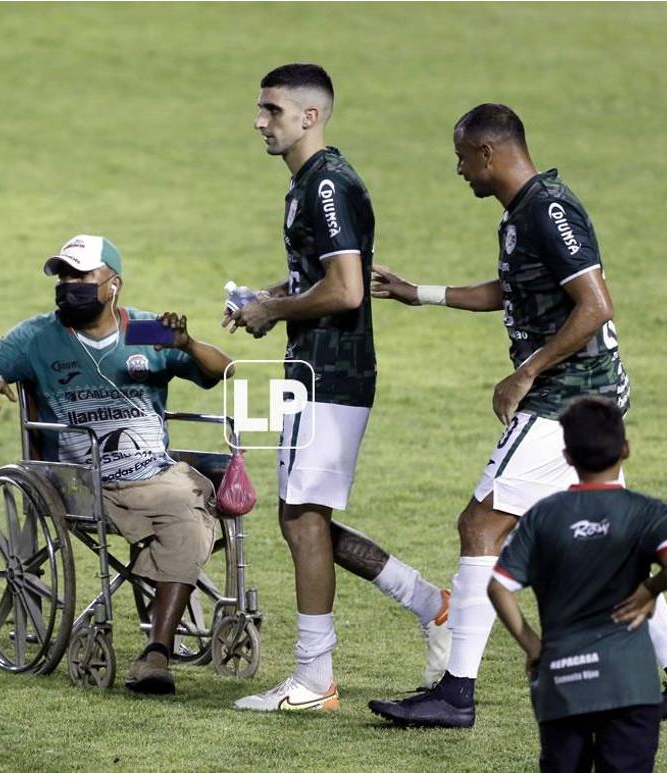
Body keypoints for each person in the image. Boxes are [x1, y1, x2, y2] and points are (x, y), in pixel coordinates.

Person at [368, 103, 667, 728]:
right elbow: (513, 290)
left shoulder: (549, 209)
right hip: (585, 399)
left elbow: (595, 304)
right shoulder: (521, 213)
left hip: (566, 400)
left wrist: (526, 371)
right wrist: (417, 293)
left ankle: (455, 693)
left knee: (480, 526)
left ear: (488, 154)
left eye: (461, 159)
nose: (458, 171)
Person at [226, 63, 451, 713]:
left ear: (310, 116)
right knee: (304, 516)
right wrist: (266, 296)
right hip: (316, 369)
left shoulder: (326, 184)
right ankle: (432, 604)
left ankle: (314, 678)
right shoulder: (310, 183)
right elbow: (326, 274)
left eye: (271, 110)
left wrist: (274, 311)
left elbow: (348, 289)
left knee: (302, 518)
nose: (259, 121)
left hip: (331, 370)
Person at [0, 234, 233, 695]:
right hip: (80, 484)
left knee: (186, 512)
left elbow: (222, 370)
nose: (68, 284)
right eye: (62, 275)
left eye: (80, 275)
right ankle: (160, 615)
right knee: (186, 511)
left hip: (153, 474)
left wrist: (187, 342)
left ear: (112, 284)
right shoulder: (38, 337)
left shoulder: (145, 331)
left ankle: (156, 654)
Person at [488, 397, 667, 772]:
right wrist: (650, 589)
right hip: (631, 686)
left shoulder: (542, 516)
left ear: (567, 456)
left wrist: (532, 645)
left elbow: (499, 587)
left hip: (564, 680)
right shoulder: (648, 511)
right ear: (625, 449)